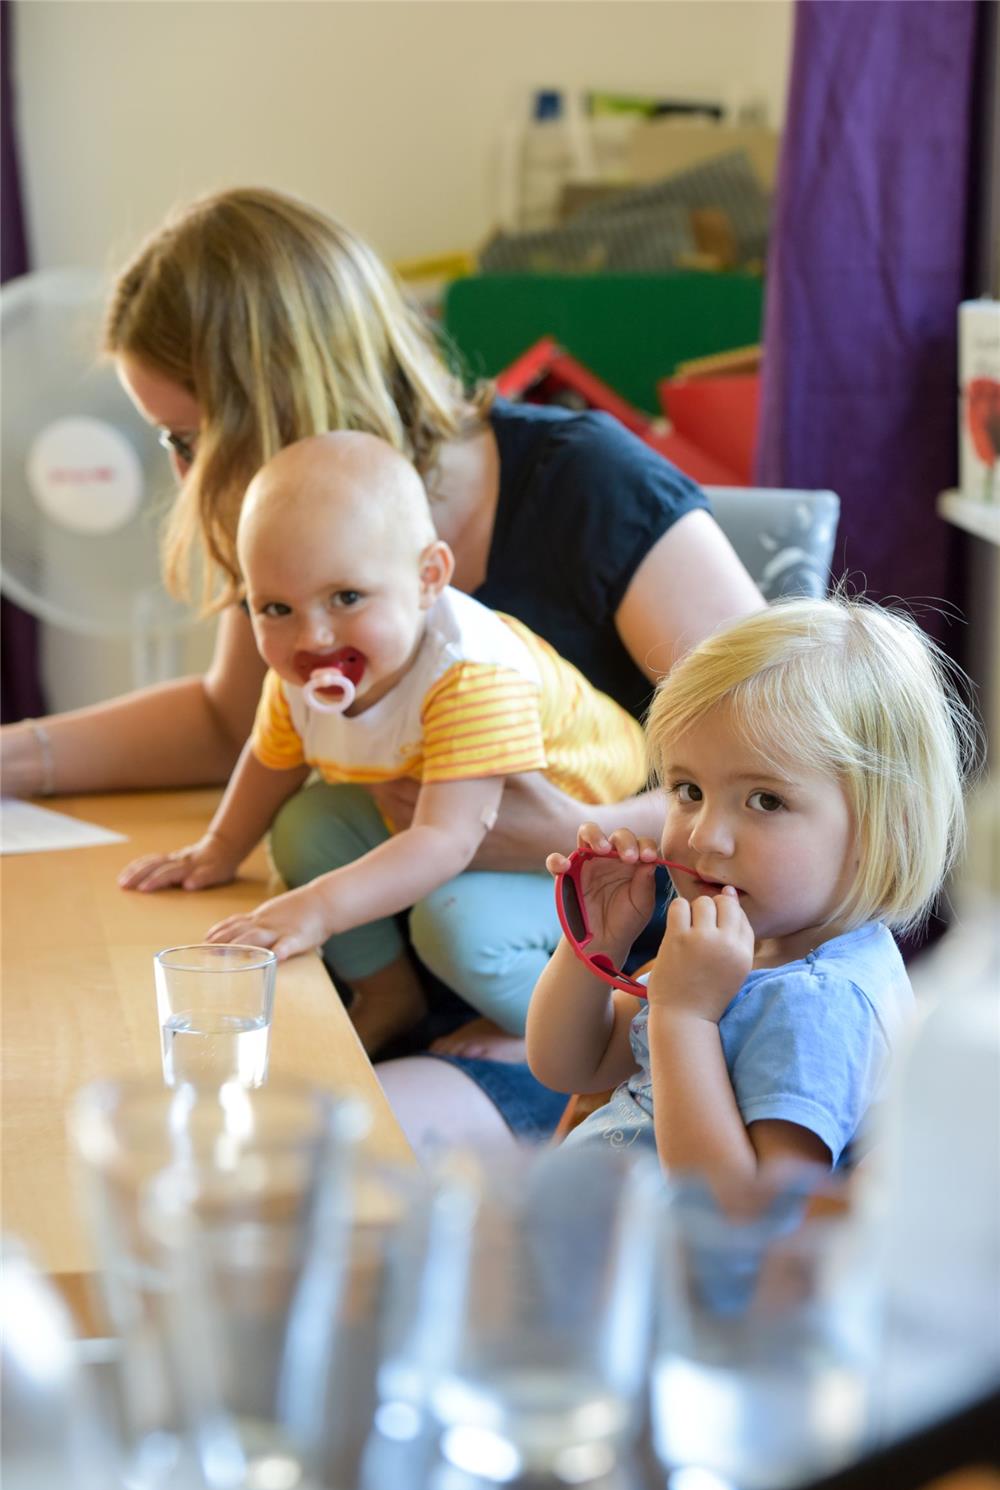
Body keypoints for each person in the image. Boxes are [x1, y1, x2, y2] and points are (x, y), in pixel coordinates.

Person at [0, 186, 763, 1143]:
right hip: (391, 977)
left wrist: (579, 832)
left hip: (600, 1005)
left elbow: (790, 770)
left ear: (275, 405)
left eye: (191, 439)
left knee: (273, 1152)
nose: (187, 479)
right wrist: (15, 758)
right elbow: (231, 722)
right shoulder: (302, 546)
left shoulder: (588, 487)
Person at [119, 430, 648, 1056]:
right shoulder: (301, 673)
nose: (311, 635)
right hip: (447, 816)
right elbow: (270, 760)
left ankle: (572, 1035)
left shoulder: (470, 673)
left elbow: (444, 840)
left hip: (568, 857)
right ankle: (389, 994)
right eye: (275, 608)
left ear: (429, 578)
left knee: (456, 926)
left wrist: (316, 909)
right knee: (303, 826)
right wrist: (219, 848)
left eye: (346, 598)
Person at [527, 595, 978, 1179]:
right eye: (688, 791)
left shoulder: (819, 1005)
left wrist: (684, 1018)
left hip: (664, 1267)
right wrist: (597, 943)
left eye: (765, 801)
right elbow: (570, 1065)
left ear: (881, 829)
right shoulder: (739, 948)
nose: (707, 836)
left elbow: (745, 1218)